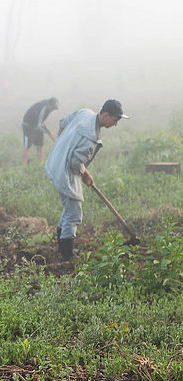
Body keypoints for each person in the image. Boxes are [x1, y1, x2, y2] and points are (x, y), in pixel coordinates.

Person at [45, 99, 128, 261]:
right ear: (105, 115)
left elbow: (63, 123)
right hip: (65, 170)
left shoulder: (85, 112)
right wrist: (85, 174)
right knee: (74, 213)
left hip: (55, 161)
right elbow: (76, 163)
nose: (116, 124)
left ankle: (62, 246)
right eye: (115, 120)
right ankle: (67, 255)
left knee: (69, 208)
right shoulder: (91, 137)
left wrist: (61, 147)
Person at [22, 97, 59, 166]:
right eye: (53, 108)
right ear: (49, 104)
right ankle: (24, 166)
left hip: (37, 126)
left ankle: (41, 165)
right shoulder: (42, 108)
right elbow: (39, 125)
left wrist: (48, 130)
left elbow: (41, 121)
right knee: (27, 147)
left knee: (40, 146)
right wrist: (48, 132)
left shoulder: (48, 108)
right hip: (28, 126)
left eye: (54, 108)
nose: (53, 110)